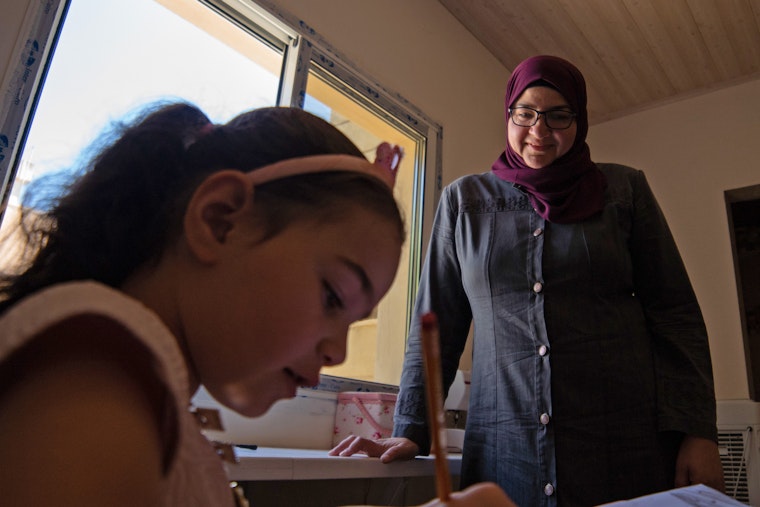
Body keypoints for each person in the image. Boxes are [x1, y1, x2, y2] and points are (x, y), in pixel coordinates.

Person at [0, 101, 515, 507]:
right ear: (220, 220)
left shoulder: (146, 391)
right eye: (333, 295)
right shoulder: (94, 374)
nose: (336, 351)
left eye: (355, 320)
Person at [330, 55, 725, 506]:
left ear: (579, 121)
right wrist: (411, 430)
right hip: (505, 448)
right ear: (509, 115)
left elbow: (675, 316)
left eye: (559, 115)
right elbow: (433, 329)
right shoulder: (464, 202)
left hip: (623, 441)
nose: (539, 130)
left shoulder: (624, 190)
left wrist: (697, 431)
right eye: (526, 113)